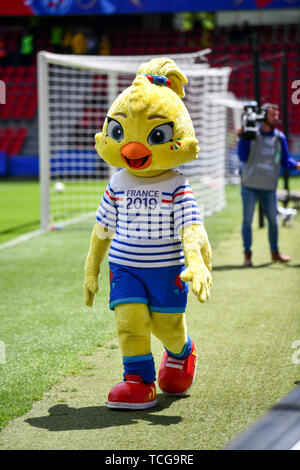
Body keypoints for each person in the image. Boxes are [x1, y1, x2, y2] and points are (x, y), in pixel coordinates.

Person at [238, 103, 300, 266]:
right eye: (274, 114)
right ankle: (247, 255)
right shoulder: (251, 134)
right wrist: (243, 137)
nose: (277, 117)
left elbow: (285, 160)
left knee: (273, 220)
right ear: (264, 115)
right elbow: (242, 156)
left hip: (269, 187)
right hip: (249, 185)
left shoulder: (280, 138)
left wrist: (297, 165)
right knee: (247, 220)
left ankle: (275, 252)